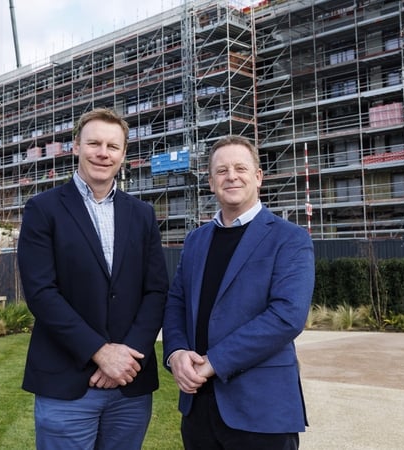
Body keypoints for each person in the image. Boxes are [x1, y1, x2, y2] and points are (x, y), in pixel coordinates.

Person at [17, 107, 169, 449]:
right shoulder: (43, 209)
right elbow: (41, 293)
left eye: (113, 146)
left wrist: (126, 357)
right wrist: (100, 352)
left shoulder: (143, 214)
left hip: (130, 384)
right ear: (76, 147)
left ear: (123, 154)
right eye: (94, 143)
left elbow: (157, 291)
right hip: (66, 384)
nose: (103, 153)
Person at [162, 135, 315, 449]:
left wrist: (214, 362)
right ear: (210, 182)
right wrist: (176, 352)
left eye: (240, 168)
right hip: (199, 408)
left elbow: (287, 316)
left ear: (258, 177)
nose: (231, 176)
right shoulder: (195, 241)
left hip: (261, 409)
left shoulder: (290, 239)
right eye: (221, 170)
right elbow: (176, 302)